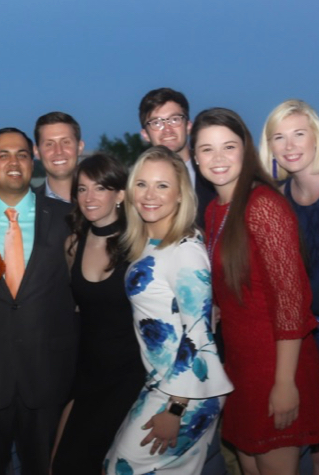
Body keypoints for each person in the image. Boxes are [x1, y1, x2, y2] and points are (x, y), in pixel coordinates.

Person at [194, 108, 319, 474]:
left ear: (247, 151)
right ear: (194, 157)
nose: (218, 158)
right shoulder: (213, 211)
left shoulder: (263, 206)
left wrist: (284, 383)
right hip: (240, 363)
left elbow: (292, 303)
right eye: (206, 149)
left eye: (228, 146)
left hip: (276, 365)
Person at [105, 146, 233, 474]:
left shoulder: (185, 251)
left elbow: (199, 334)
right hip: (161, 384)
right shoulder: (149, 244)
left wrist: (176, 410)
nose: (150, 195)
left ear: (180, 195)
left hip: (186, 394)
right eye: (142, 184)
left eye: (162, 185)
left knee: (121, 467)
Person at [0, 127, 77, 475]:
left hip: (48, 377)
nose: (14, 162)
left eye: (22, 154)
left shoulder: (68, 218)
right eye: (3, 155)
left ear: (32, 161)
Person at [258, 99, 319, 475]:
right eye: (279, 137)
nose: (290, 145)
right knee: (316, 453)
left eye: (299, 133)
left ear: (318, 137)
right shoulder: (278, 197)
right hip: (303, 340)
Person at [50, 154, 146, 474]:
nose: (89, 198)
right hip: (87, 374)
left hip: (132, 377)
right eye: (82, 189)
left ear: (120, 194)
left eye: (100, 188)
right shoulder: (73, 245)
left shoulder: (141, 244)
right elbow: (81, 310)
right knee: (64, 465)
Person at [138, 88, 218, 219]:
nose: (167, 130)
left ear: (188, 126)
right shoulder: (137, 185)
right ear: (145, 134)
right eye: (156, 123)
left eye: (174, 119)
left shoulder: (214, 174)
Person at [33, 111, 84, 203]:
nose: (58, 151)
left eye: (66, 142)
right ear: (36, 152)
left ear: (80, 147)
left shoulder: (104, 203)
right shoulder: (28, 206)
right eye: (49, 144)